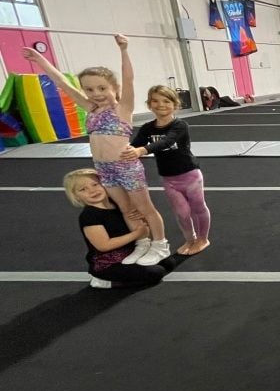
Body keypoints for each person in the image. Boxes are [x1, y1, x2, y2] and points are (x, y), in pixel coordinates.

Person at [23, 35, 171, 266]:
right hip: (104, 168)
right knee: (125, 208)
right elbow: (63, 83)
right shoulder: (90, 108)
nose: (96, 93)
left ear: (114, 88)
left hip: (125, 165)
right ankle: (142, 242)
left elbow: (129, 79)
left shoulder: (123, 108)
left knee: (145, 208)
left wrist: (124, 49)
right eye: (89, 89)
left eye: (102, 88)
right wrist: (40, 60)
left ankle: (160, 244)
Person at [125, 85, 211, 256]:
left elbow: (166, 142)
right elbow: (135, 144)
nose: (160, 104)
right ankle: (190, 239)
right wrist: (124, 149)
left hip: (190, 175)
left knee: (198, 207)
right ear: (149, 104)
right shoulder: (147, 128)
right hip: (169, 179)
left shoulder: (180, 125)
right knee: (182, 213)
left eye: (166, 101)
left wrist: (142, 151)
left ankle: (203, 239)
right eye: (155, 101)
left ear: (175, 104)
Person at [63, 168, 170, 288]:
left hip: (131, 253)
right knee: (156, 272)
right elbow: (104, 245)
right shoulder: (90, 215)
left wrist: (141, 216)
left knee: (168, 263)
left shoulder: (118, 204)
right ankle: (104, 281)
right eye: (83, 189)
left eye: (95, 184)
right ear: (77, 197)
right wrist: (137, 233)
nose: (92, 190)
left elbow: (140, 221)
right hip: (108, 264)